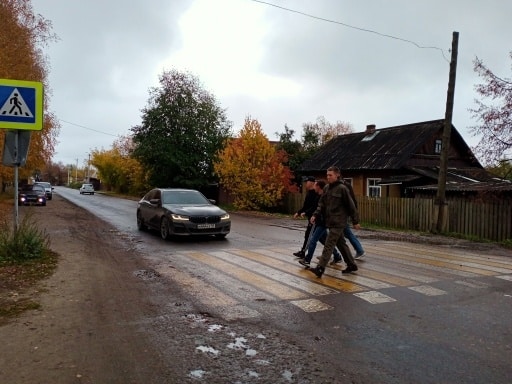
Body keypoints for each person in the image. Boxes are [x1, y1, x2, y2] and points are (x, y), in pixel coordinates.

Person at [309, 166, 361, 277]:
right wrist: (315, 214)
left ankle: (320, 268)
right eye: (327, 175)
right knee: (341, 243)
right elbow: (321, 204)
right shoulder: (327, 188)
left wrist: (355, 221)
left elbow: (351, 206)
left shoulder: (343, 188)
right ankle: (351, 264)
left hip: (339, 222)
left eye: (330, 175)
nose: (328, 177)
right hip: (330, 221)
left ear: (337, 175)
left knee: (329, 244)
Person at [298, 179, 342, 268]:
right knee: (325, 241)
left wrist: (314, 215)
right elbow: (317, 208)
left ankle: (307, 259)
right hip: (320, 221)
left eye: (315, 185)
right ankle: (337, 256)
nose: (314, 186)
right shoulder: (319, 196)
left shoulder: (324, 197)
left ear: (318, 187)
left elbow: (321, 209)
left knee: (313, 240)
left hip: (322, 222)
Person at [292, 176, 318, 258]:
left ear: (312, 183)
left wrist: (305, 212)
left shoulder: (315, 193)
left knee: (308, 236)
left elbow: (315, 207)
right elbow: (306, 206)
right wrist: (299, 212)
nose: (306, 183)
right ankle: (335, 254)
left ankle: (303, 252)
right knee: (321, 238)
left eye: (307, 182)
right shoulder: (309, 193)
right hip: (311, 217)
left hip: (315, 218)